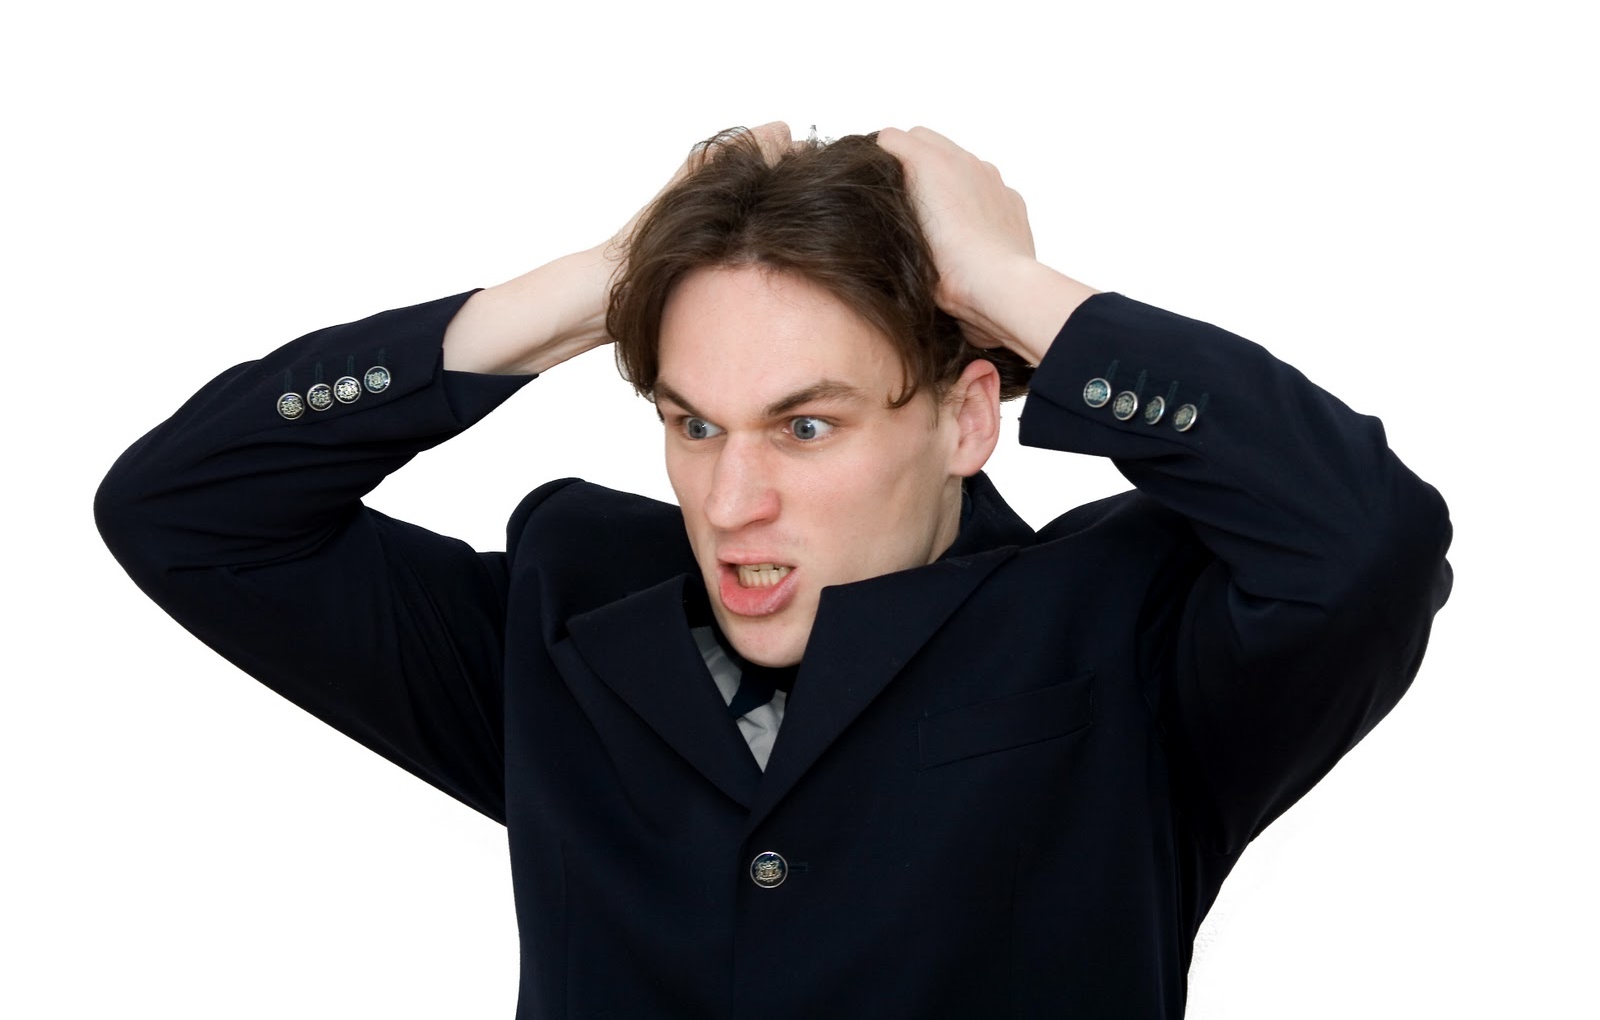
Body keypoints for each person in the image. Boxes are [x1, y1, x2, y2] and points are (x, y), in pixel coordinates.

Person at [95, 122, 1452, 1018]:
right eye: (694, 423)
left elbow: (1366, 544)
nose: (731, 502)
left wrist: (1000, 277)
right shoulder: (565, 621)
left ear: (966, 420)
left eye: (807, 427)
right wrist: (598, 285)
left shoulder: (1129, 645)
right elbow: (186, 511)